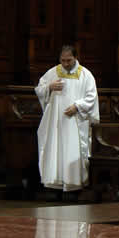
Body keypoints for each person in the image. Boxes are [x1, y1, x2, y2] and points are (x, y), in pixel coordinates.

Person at [35, 45, 99, 201]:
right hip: (55, 122)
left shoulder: (85, 75)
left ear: (76, 58)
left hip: (75, 122)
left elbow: (92, 97)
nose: (65, 64)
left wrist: (77, 106)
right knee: (55, 150)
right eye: (62, 60)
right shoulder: (53, 72)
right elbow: (39, 88)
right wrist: (49, 87)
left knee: (72, 151)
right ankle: (54, 184)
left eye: (68, 60)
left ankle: (72, 186)